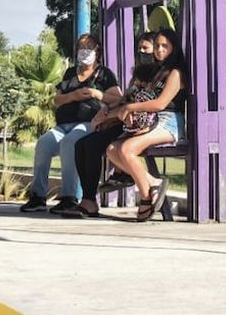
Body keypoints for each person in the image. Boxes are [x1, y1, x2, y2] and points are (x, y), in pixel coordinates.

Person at [19, 33, 121, 214]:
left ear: (98, 51)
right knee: (43, 144)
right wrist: (73, 96)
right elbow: (56, 99)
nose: (85, 52)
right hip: (64, 123)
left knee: (70, 143)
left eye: (89, 47)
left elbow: (117, 98)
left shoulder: (104, 74)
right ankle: (38, 196)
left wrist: (96, 94)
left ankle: (69, 197)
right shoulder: (70, 73)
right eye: (82, 48)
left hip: (88, 123)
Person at [61, 31, 156, 218]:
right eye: (139, 48)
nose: (141, 52)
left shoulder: (158, 75)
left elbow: (145, 104)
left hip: (141, 123)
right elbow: (125, 99)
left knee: (93, 144)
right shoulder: (138, 74)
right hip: (122, 121)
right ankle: (88, 201)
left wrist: (112, 112)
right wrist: (107, 112)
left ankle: (92, 197)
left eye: (146, 48)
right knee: (82, 144)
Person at [106, 28, 187, 221]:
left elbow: (160, 104)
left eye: (164, 46)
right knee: (111, 149)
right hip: (151, 119)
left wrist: (132, 107)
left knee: (127, 149)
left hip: (169, 121)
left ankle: (145, 197)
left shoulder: (175, 73)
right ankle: (152, 183)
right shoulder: (156, 71)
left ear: (173, 48)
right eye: (157, 46)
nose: (159, 50)